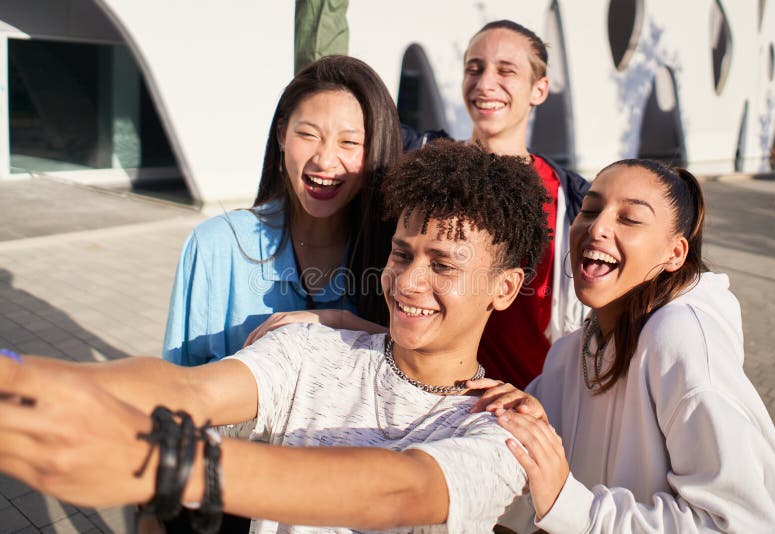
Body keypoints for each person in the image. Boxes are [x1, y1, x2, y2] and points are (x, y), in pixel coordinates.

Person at [0, 141, 552, 533]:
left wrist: (169, 464)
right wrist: (22, 378)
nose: (408, 280)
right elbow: (189, 391)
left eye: (444, 265)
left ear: (503, 289)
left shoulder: (504, 430)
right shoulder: (311, 349)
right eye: (401, 253)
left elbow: (401, 489)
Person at [470, 159, 775, 532]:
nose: (598, 227)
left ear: (675, 254)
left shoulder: (680, 340)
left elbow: (738, 524)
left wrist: (570, 504)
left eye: (630, 219)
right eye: (590, 210)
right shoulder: (569, 353)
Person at [162, 54, 401, 367]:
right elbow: (177, 384)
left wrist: (338, 321)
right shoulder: (215, 245)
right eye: (308, 134)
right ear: (281, 136)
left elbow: (421, 371)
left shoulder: (398, 253)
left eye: (350, 142)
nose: (325, 160)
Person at [405, 19, 590, 387]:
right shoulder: (422, 160)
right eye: (474, 68)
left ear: (539, 89)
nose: (485, 82)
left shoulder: (572, 200)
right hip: (420, 397)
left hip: (520, 404)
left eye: (506, 70)